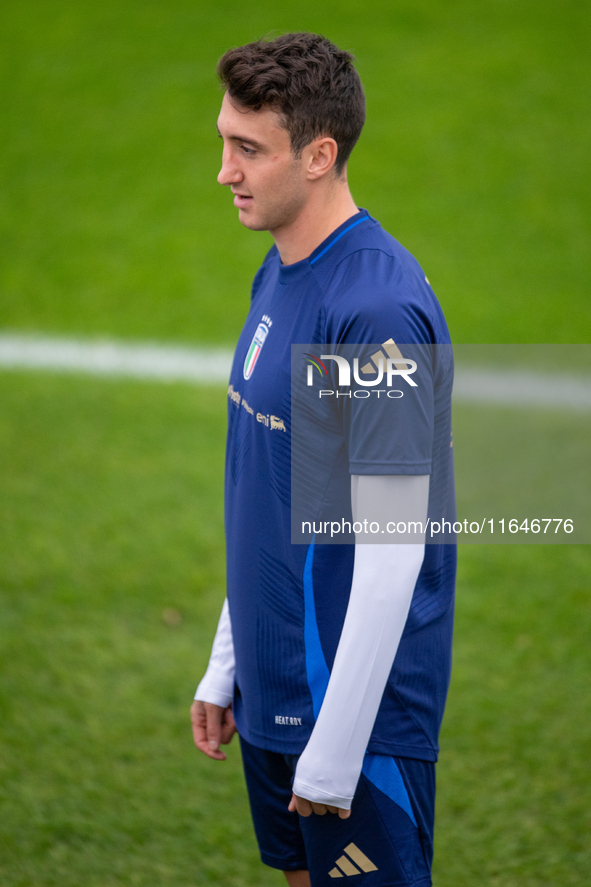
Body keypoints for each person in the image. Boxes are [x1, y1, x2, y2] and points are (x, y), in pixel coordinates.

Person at [191, 33, 456, 887]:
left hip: (352, 720)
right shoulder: (282, 272)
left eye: (247, 149)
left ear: (318, 154)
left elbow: (389, 554)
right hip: (275, 691)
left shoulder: (372, 308)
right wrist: (230, 662)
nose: (224, 172)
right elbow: (261, 491)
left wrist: (336, 753)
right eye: (224, 141)